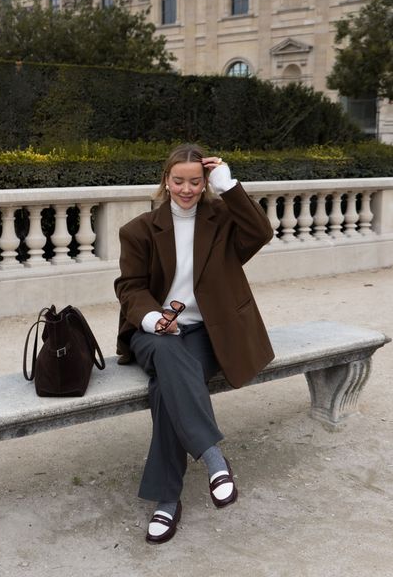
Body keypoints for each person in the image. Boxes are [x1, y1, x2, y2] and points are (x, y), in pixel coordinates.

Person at [114, 143, 275, 544]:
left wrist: (229, 184)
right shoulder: (138, 229)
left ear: (205, 183)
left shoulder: (221, 219)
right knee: (168, 355)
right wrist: (153, 319)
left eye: (196, 181)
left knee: (168, 390)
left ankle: (167, 502)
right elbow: (130, 287)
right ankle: (213, 458)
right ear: (165, 181)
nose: (186, 189)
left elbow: (260, 233)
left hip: (207, 332)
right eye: (178, 180)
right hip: (153, 333)